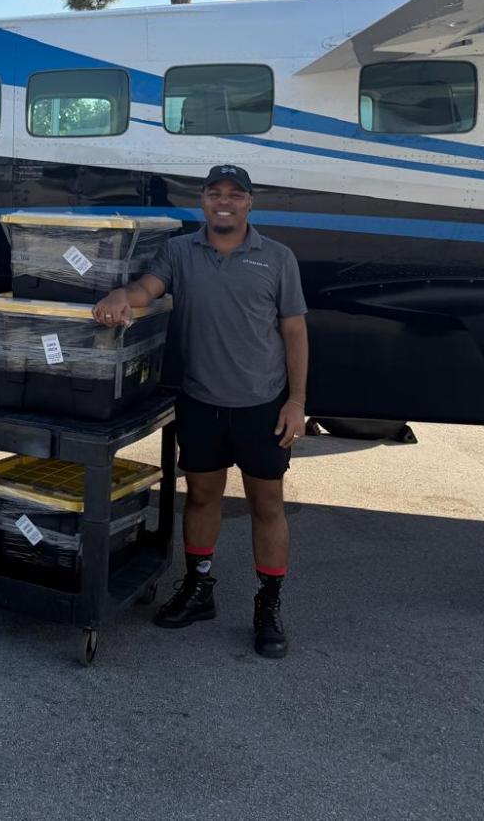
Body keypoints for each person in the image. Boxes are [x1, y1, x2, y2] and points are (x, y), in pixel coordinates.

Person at [91, 164, 308, 658]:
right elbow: (148, 288)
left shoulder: (277, 258)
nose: (224, 201)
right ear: (203, 201)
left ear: (249, 202)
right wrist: (123, 295)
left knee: (267, 505)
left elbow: (295, 331)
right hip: (201, 401)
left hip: (262, 406)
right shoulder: (179, 252)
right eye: (214, 193)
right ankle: (199, 587)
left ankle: (269, 603)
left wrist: (296, 402)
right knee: (203, 498)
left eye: (235, 194)